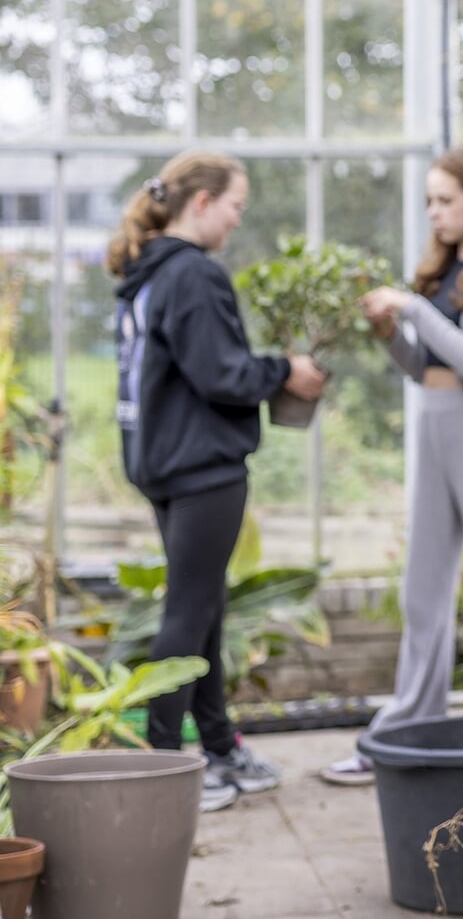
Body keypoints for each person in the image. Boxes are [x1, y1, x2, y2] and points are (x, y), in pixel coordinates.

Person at [108, 150, 327, 813]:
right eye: (235, 207)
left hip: (159, 462)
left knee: (203, 607)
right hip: (201, 465)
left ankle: (216, 748)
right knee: (190, 610)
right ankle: (168, 762)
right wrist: (284, 371)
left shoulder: (145, 274)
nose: (237, 222)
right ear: (200, 203)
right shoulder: (193, 274)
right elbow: (221, 375)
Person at [321, 145, 463, 786]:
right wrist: (392, 335)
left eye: (445, 200)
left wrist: (412, 310)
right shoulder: (441, 270)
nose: (434, 213)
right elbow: (427, 368)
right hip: (434, 426)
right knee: (422, 587)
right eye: (429, 201)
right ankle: (403, 727)